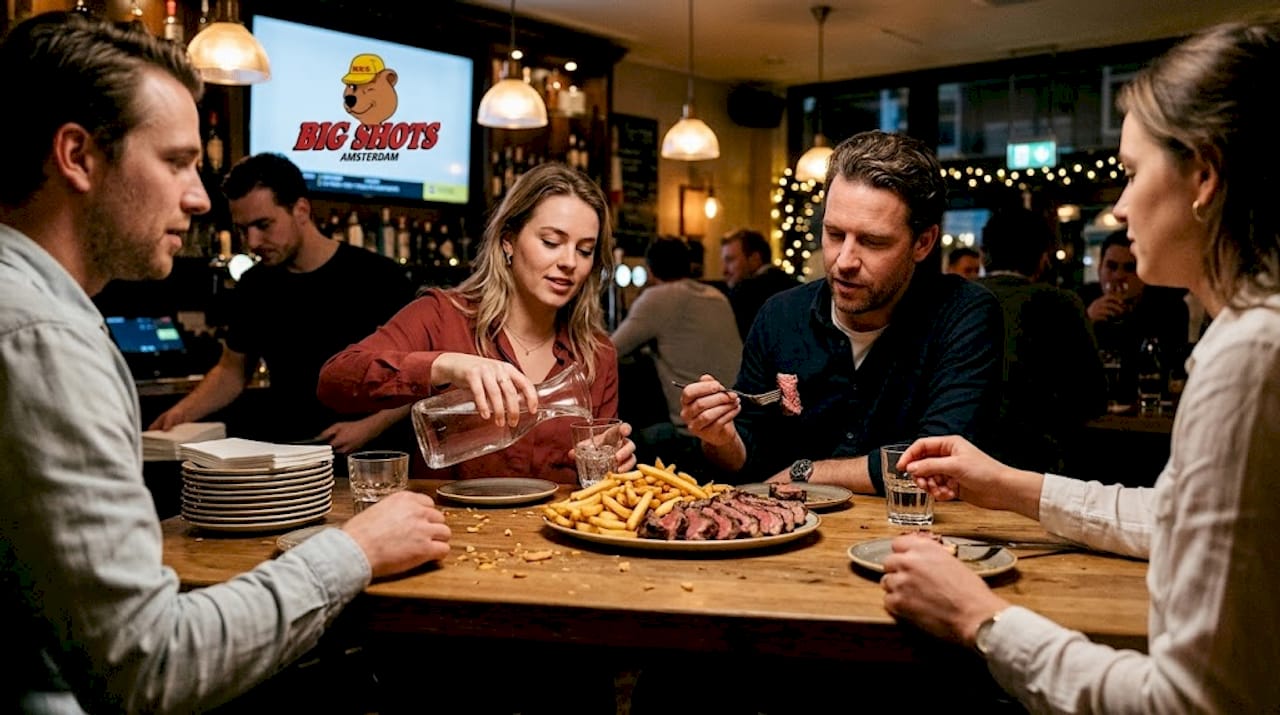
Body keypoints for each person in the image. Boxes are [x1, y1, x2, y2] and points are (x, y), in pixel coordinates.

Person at [0, 13, 450, 713]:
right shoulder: (42, 336)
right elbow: (151, 663)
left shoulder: (35, 316)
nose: (199, 198)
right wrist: (354, 550)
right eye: (176, 161)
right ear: (78, 156)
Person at [883, 14, 1280, 712]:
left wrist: (982, 618)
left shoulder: (1252, 354)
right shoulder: (1249, 332)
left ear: (1205, 175)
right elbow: (1173, 519)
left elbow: (1191, 703)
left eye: (1131, 173)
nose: (1119, 208)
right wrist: (1012, 485)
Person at [680, 131, 1003, 494]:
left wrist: (803, 473)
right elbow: (748, 454)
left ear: (923, 243)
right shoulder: (779, 316)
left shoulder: (963, 314)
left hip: (912, 527)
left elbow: (941, 459)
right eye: (834, 235)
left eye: (872, 242)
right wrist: (720, 438)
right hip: (792, 526)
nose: (844, 261)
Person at [318, 162, 637, 484]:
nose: (569, 262)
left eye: (584, 250)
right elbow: (335, 381)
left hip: (552, 518)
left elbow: (595, 480)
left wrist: (609, 463)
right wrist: (444, 366)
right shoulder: (442, 316)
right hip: (445, 517)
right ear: (508, 240)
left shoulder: (596, 353)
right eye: (551, 242)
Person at [149, 153, 415, 454]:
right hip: (290, 455)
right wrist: (179, 414)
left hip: (372, 457)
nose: (252, 241)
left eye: (263, 225)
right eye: (243, 229)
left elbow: (420, 379)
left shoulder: (379, 278)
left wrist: (369, 427)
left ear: (301, 210)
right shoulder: (254, 285)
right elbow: (231, 372)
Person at [978, 206, 1105, 473]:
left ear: (983, 254)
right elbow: (1092, 396)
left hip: (956, 460)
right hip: (1038, 465)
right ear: (1043, 258)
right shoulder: (1062, 303)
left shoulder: (952, 300)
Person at [611, 236, 742, 471]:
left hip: (693, 435)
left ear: (650, 271)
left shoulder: (658, 297)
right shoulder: (717, 296)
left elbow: (610, 351)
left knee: (621, 441)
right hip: (737, 429)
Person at [1079, 228, 1189, 369]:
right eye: (1112, 266)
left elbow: (1172, 364)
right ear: (1100, 269)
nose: (1119, 276)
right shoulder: (1081, 301)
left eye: (1130, 268)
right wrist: (1087, 322)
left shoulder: (1169, 307)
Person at [720, 227, 798, 339]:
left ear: (755, 259)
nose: (724, 270)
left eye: (730, 260)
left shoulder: (744, 294)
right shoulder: (795, 286)